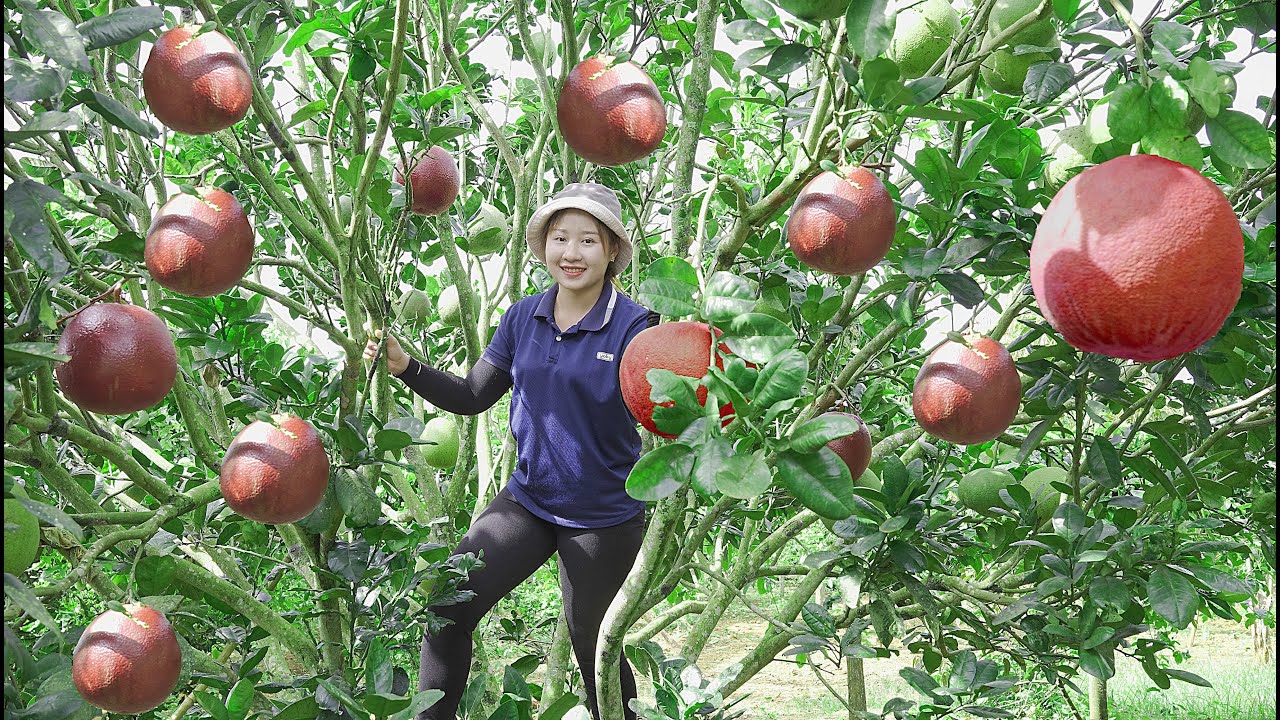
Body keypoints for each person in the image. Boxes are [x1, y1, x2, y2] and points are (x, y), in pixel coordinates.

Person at [363, 183, 660, 720]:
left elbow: (670, 412)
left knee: (595, 654)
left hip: (603, 518)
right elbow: (474, 396)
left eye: (588, 240)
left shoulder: (637, 327)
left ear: (613, 250)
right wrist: (407, 366)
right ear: (544, 244)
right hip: (528, 502)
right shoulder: (524, 317)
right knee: (447, 608)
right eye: (560, 238)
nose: (571, 253)